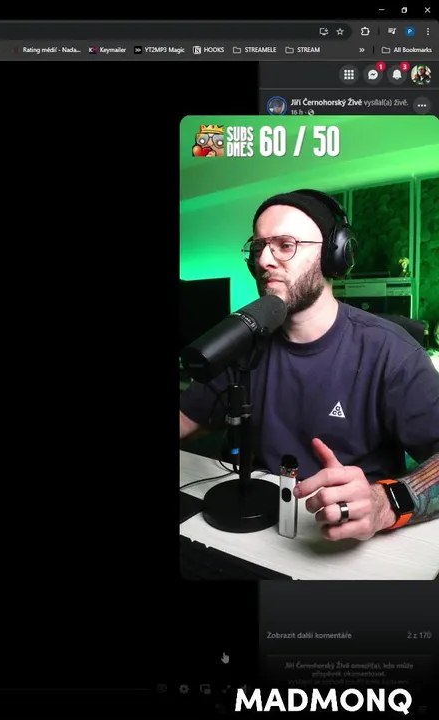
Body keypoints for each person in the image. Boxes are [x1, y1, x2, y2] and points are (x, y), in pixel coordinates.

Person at [179, 190, 439, 542]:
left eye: (285, 245)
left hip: (349, 538)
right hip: (258, 525)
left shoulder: (391, 352)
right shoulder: (243, 343)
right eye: (258, 247)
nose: (264, 260)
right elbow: (188, 418)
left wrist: (386, 502)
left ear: (334, 255)